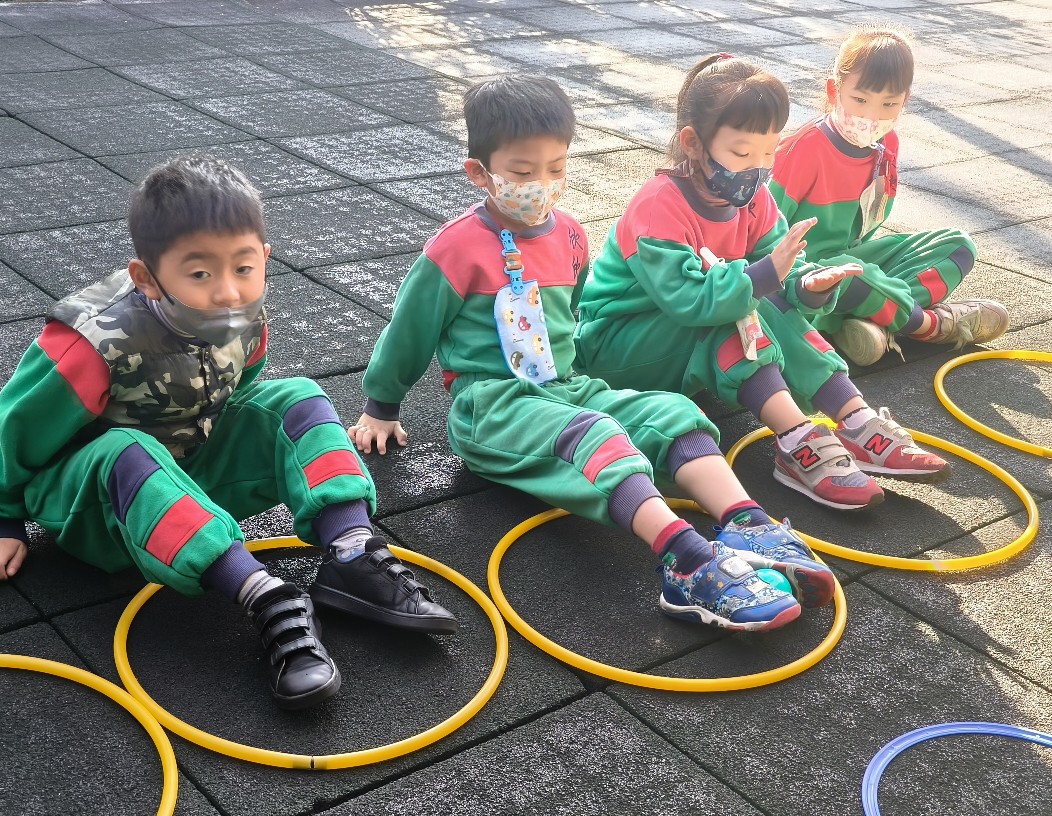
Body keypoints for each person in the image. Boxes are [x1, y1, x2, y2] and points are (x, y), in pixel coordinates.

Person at [350, 74, 839, 634]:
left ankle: (748, 524)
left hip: (565, 387)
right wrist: (381, 405)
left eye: (556, 168)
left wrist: (587, 384)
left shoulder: (569, 235)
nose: (542, 184)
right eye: (522, 173)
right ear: (479, 173)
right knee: (595, 433)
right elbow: (409, 330)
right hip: (493, 404)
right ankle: (687, 559)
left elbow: (571, 316)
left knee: (672, 413)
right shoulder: (455, 248)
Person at [0, 156, 456, 711]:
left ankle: (351, 553)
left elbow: (238, 392)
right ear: (146, 278)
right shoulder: (92, 342)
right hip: (97, 508)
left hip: (186, 472)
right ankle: (263, 594)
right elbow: (14, 427)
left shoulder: (244, 312)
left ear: (264, 257)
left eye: (243, 268)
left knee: (296, 396)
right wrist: (0, 523)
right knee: (130, 448)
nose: (227, 292)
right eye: (200, 274)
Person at [574, 55, 952, 513]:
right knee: (736, 304)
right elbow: (691, 301)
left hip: (680, 346)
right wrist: (768, 274)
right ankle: (796, 438)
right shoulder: (657, 209)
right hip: (617, 349)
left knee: (761, 297)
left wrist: (809, 285)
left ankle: (854, 418)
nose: (757, 168)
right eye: (741, 154)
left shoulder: (753, 200)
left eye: (769, 151)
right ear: (693, 143)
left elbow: (781, 272)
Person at [769, 26, 1008, 367]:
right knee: (852, 275)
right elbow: (762, 240)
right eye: (860, 99)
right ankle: (927, 325)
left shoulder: (887, 144)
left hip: (853, 264)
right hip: (803, 279)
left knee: (958, 246)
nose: (871, 116)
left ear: (904, 100)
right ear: (835, 90)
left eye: (889, 104)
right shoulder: (803, 150)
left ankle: (867, 318)